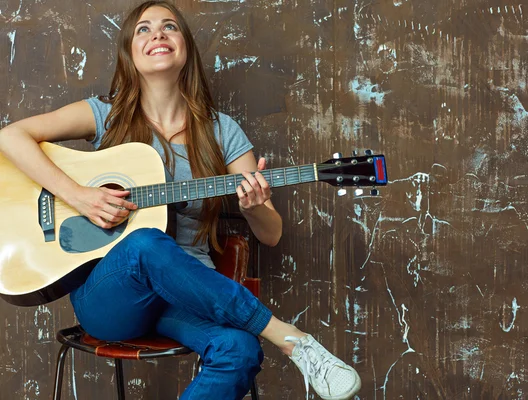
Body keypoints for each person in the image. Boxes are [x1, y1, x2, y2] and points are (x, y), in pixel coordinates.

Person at [0, 1, 361, 399]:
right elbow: (9, 137)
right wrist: (80, 196)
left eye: (169, 26)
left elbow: (271, 234)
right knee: (145, 244)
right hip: (110, 297)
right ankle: (290, 338)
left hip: (188, 294)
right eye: (144, 29)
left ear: (185, 46)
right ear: (129, 52)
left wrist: (255, 206)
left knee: (239, 350)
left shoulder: (222, 131)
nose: (157, 33)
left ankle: (274, 337)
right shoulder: (104, 115)